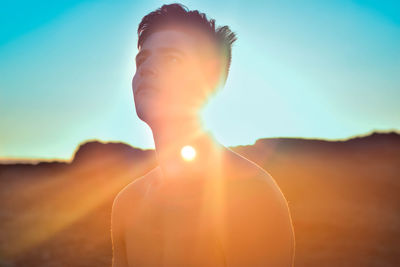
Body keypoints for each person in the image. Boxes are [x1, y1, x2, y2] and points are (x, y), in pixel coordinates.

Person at [111, 3, 295, 266]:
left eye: (172, 58)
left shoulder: (252, 197)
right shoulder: (127, 203)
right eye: (142, 58)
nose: (146, 68)